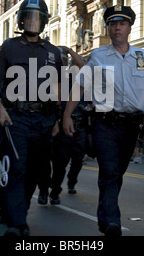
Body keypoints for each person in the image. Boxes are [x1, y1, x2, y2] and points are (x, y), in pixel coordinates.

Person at [63, 5, 144, 236]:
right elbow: (80, 85)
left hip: (132, 126)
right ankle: (112, 221)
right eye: (113, 24)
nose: (117, 28)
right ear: (108, 29)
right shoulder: (98, 56)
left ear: (129, 27)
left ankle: (107, 215)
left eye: (121, 23)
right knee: (110, 171)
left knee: (117, 172)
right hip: (105, 123)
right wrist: (67, 115)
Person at [0, 0, 63, 236]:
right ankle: (17, 223)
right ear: (21, 20)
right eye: (28, 17)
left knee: (37, 170)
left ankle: (16, 212)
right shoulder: (9, 47)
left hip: (45, 120)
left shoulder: (53, 52)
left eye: (37, 18)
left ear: (44, 22)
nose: (32, 22)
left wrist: (58, 120)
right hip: (15, 117)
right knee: (17, 167)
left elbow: (58, 87)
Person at [49, 46, 86, 205]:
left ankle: (72, 182)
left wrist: (70, 51)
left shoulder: (75, 77)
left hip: (79, 124)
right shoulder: (50, 80)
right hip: (60, 126)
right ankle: (54, 191)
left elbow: (84, 67)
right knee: (60, 163)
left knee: (78, 159)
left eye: (64, 59)